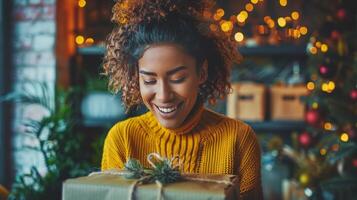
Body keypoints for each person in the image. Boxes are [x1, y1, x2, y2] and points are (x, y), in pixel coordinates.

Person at [101, 0, 262, 199]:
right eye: (149, 80)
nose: (163, 95)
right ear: (136, 78)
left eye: (177, 79)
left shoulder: (238, 140)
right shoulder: (123, 139)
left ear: (201, 73)